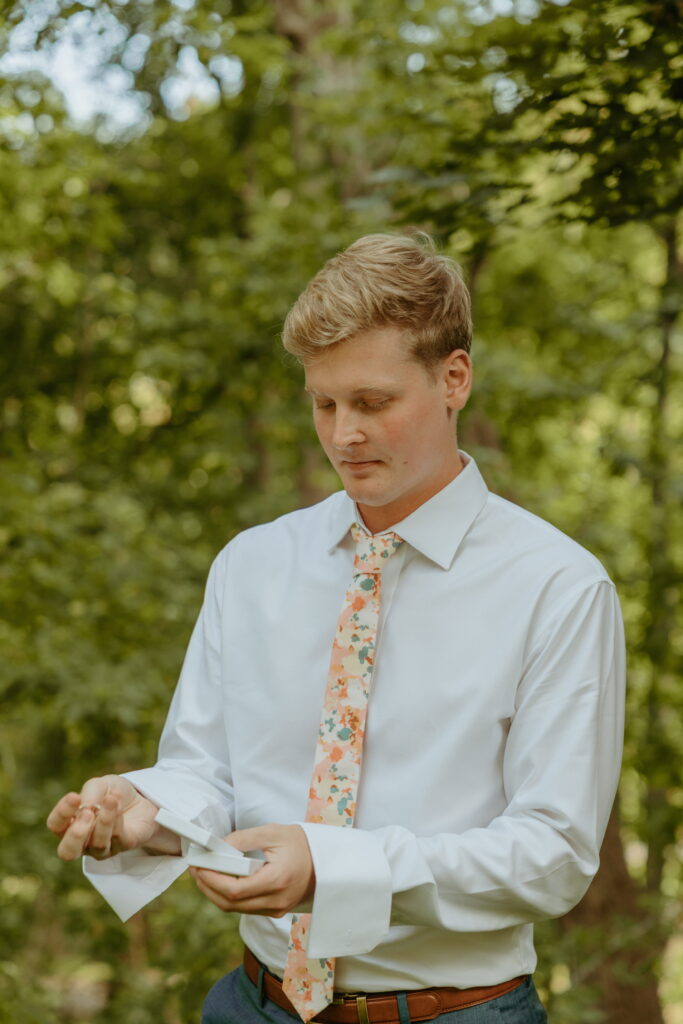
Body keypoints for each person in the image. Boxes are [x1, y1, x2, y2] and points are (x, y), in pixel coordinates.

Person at [47, 234, 625, 1024]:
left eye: (373, 402)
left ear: (453, 378)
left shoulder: (557, 587)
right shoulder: (251, 566)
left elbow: (551, 855)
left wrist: (333, 867)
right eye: (323, 402)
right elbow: (207, 770)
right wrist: (148, 814)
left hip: (456, 1012)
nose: (343, 434)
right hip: (253, 1004)